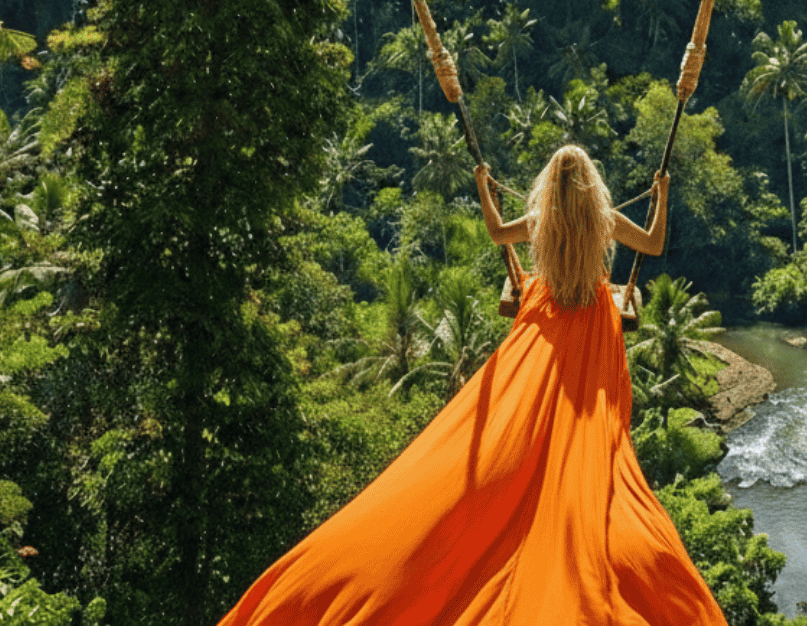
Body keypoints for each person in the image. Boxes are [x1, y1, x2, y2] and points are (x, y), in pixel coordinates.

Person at [217, 144, 728, 626]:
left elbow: (496, 231)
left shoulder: (539, 222)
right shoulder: (606, 220)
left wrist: (484, 187)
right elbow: (655, 244)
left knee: (523, 416)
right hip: (593, 324)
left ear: (549, 188)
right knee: (584, 432)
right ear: (592, 187)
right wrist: (660, 195)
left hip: (545, 321)